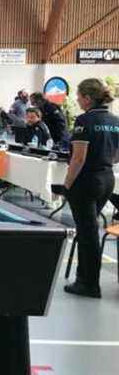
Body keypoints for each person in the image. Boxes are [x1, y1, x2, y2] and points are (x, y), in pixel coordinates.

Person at [62, 79, 119, 298]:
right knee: (89, 230)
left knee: (87, 234)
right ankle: (84, 278)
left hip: (86, 181)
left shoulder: (84, 120)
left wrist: (67, 185)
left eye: (78, 96)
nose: (76, 100)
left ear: (87, 98)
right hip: (106, 179)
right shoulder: (115, 120)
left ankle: (88, 284)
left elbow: (78, 159)